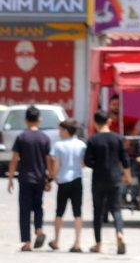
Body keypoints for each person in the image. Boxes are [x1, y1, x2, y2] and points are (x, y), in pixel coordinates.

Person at [85, 110, 130, 255]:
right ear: (109, 121)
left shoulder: (93, 140)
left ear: (94, 123)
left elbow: (87, 161)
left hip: (98, 179)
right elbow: (125, 158)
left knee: (98, 212)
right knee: (116, 209)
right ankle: (119, 233)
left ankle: (98, 244)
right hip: (115, 178)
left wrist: (97, 165)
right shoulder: (117, 138)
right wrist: (127, 175)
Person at [7, 106, 52, 251]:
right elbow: (48, 159)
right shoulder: (44, 138)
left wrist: (10, 177)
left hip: (25, 179)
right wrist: (49, 177)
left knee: (25, 210)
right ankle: (39, 229)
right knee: (38, 207)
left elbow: (15, 159)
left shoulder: (22, 137)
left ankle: (26, 242)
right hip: (39, 178)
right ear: (39, 120)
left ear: (25, 120)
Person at [47, 119, 86, 252]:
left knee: (59, 212)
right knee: (77, 212)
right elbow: (83, 163)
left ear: (65, 131)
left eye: (61, 130)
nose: (59, 132)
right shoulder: (81, 144)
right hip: (77, 179)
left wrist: (53, 175)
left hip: (63, 180)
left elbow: (56, 162)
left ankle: (57, 241)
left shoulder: (58, 145)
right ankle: (77, 243)